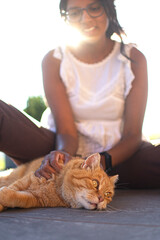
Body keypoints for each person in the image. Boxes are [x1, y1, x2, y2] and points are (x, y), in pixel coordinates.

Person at [0, 0, 160, 188]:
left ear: (108, 10)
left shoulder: (133, 58)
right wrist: (63, 157)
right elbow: (66, 131)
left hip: (119, 158)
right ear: (66, 18)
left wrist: (101, 162)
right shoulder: (54, 60)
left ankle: (101, 178)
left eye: (94, 8)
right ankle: (56, 173)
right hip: (61, 149)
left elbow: (133, 134)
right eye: (75, 13)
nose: (85, 18)